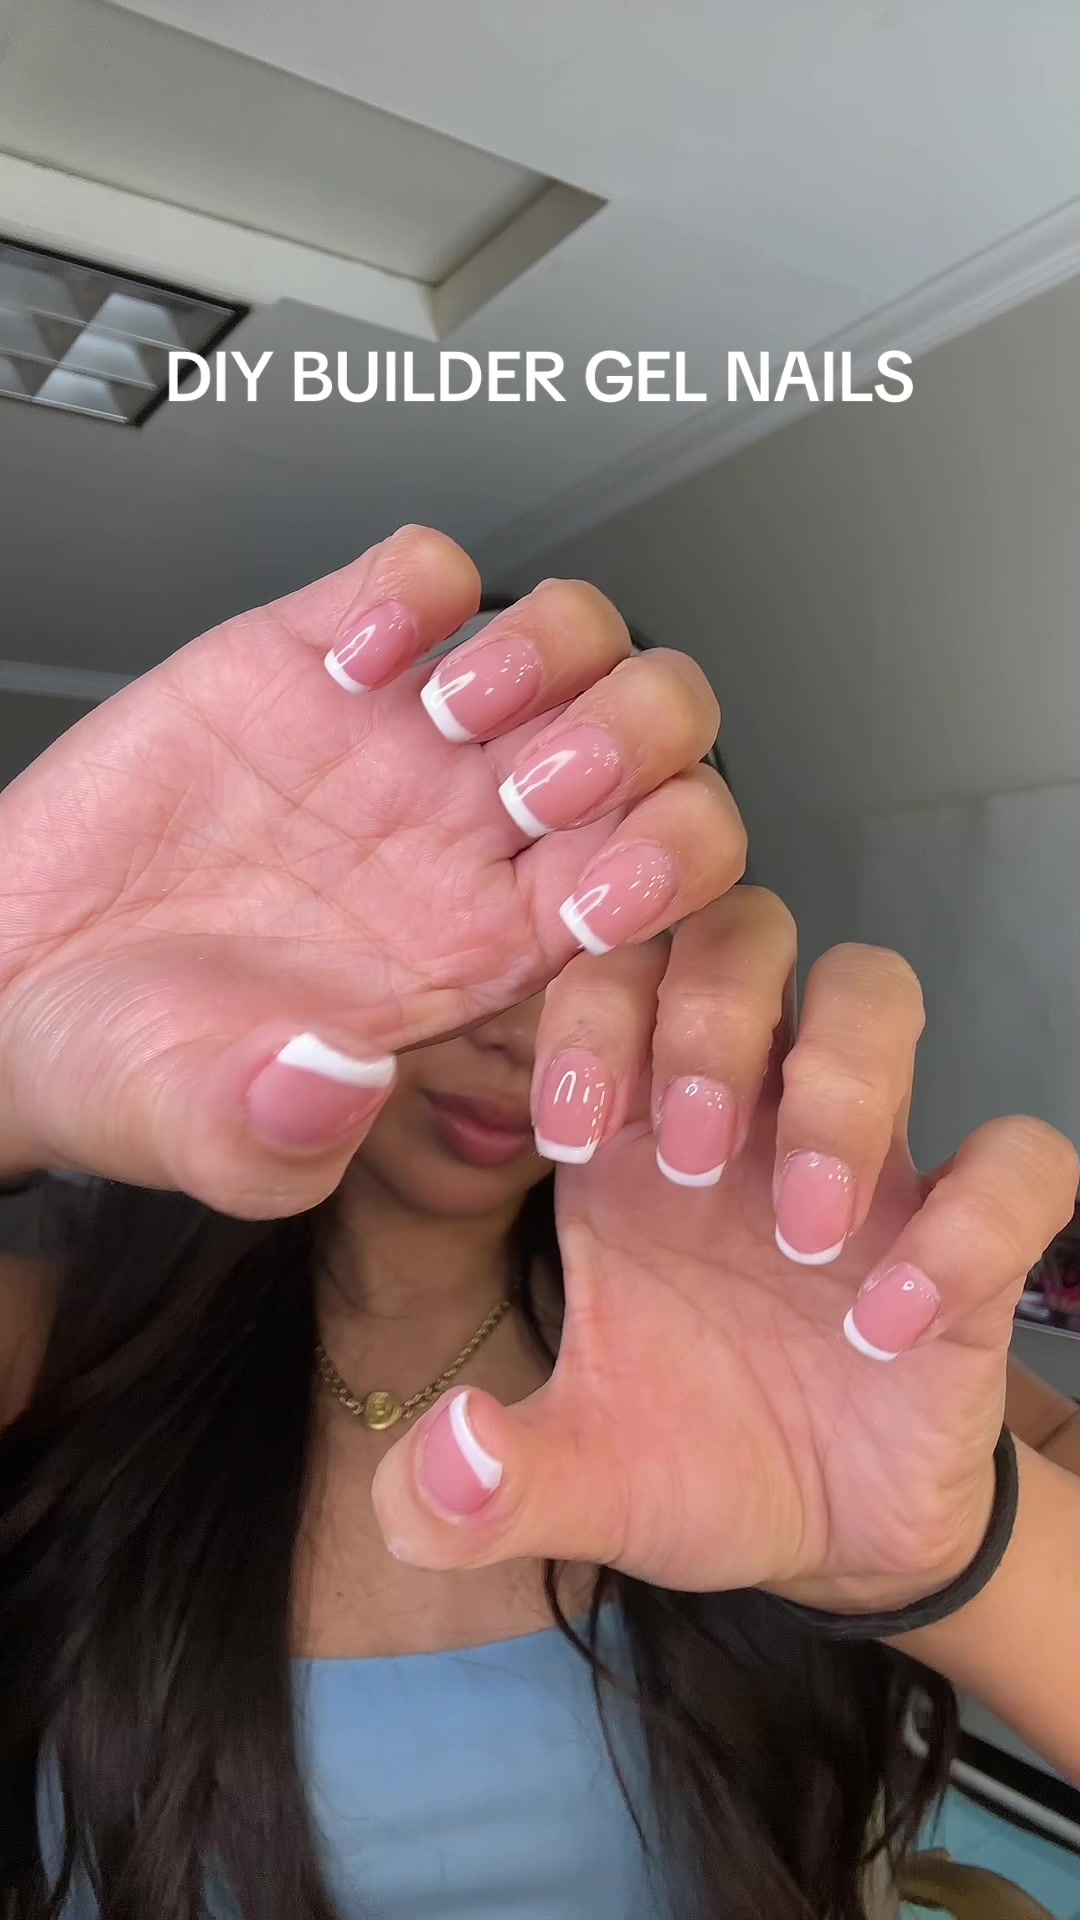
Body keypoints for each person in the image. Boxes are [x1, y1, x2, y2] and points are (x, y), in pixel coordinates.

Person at [0, 526, 1077, 1920]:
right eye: (470, 938)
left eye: (595, 948)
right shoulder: (51, 1346)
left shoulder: (856, 1365)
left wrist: (959, 1558)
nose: (521, 1035)